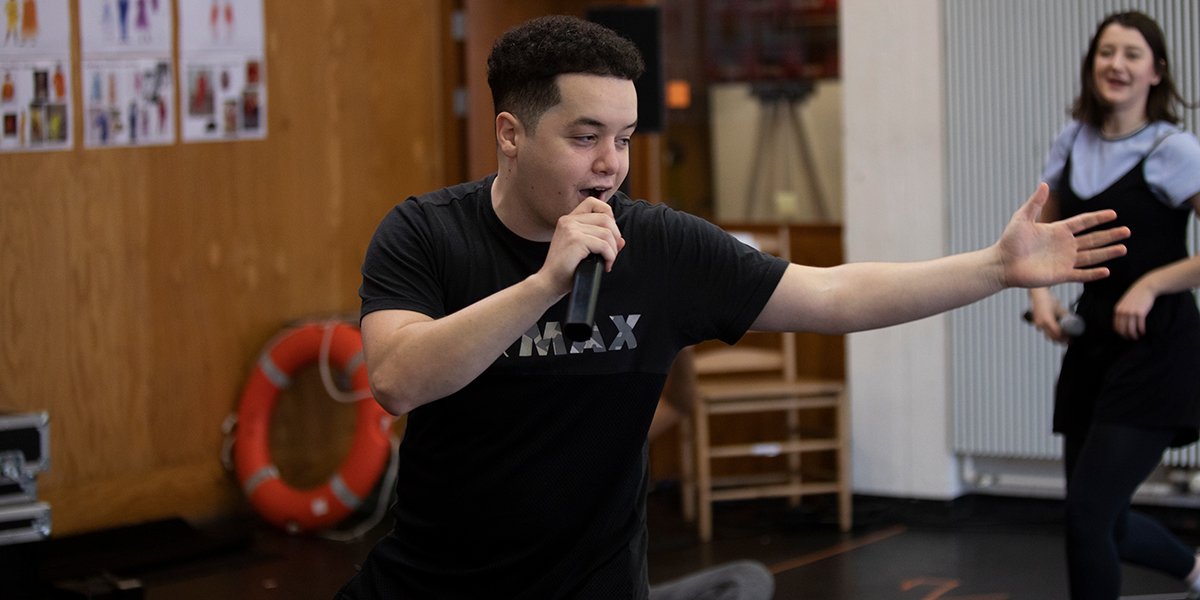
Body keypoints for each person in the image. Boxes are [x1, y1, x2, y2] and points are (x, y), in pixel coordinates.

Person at [338, 14, 1127, 600]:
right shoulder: (425, 234)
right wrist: (545, 285)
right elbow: (400, 378)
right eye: (585, 137)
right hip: (429, 586)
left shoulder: (663, 246)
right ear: (511, 134)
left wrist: (993, 267)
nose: (611, 164)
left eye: (625, 137)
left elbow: (835, 293)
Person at [1026, 11, 1200, 600]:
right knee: (1102, 518)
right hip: (1093, 344)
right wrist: (1040, 294)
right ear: (1091, 63)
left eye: (1131, 54)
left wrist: (1153, 284)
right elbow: (1036, 236)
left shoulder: (1174, 149)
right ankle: (1198, 573)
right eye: (1106, 52)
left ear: (1157, 71)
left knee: (1088, 517)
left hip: (1159, 350)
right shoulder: (1071, 139)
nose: (1116, 65)